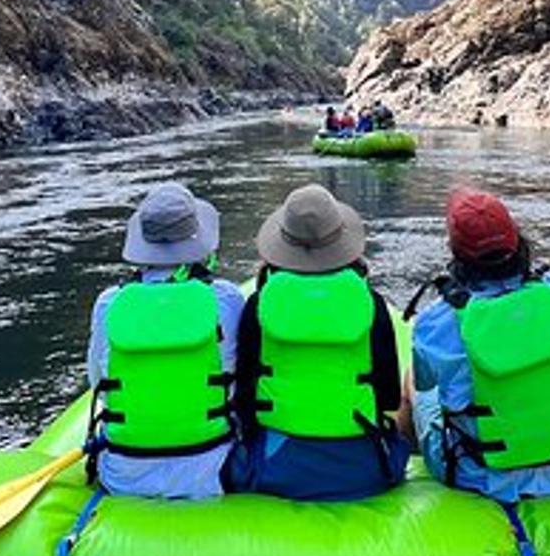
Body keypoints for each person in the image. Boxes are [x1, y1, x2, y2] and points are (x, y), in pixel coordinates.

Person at [409, 188, 550, 499]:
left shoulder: (436, 322)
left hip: (481, 477)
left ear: (456, 254)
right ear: (516, 241)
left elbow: (424, 384)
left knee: (420, 389)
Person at [226, 185, 411, 500]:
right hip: (363, 472)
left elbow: (243, 397)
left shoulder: (258, 305)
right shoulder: (373, 304)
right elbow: (390, 397)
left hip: (274, 469)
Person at [86, 183, 245, 499]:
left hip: (124, 478)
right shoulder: (226, 299)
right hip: (214, 474)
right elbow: (241, 382)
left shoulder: (108, 304)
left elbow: (97, 383)